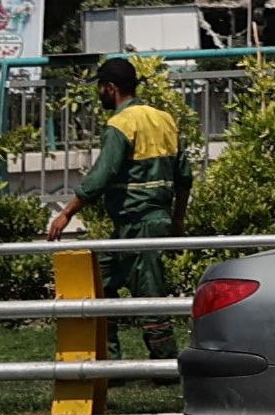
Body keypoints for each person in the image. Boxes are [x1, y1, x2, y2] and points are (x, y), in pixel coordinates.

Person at [44, 55, 194, 351]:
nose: (98, 93)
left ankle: (164, 364)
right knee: (101, 282)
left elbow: (102, 176)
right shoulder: (164, 119)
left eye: (100, 86)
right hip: (151, 221)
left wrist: (66, 214)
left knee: (148, 297)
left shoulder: (121, 123)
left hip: (137, 224)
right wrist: (177, 221)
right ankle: (108, 360)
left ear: (110, 88)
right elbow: (184, 177)